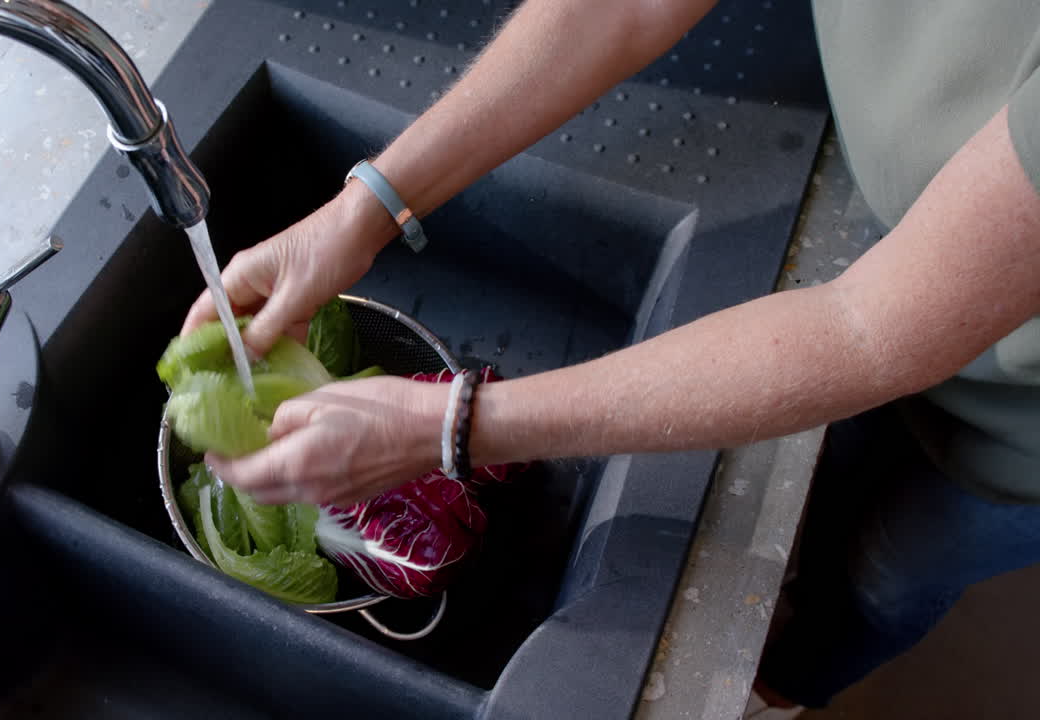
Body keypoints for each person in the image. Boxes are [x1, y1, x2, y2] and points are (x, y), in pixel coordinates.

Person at [182, 0, 1040, 712]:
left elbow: (865, 329)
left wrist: (454, 425)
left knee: (885, 569)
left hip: (1019, 428)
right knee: (829, 469)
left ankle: (783, 688)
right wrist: (364, 207)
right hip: (922, 241)